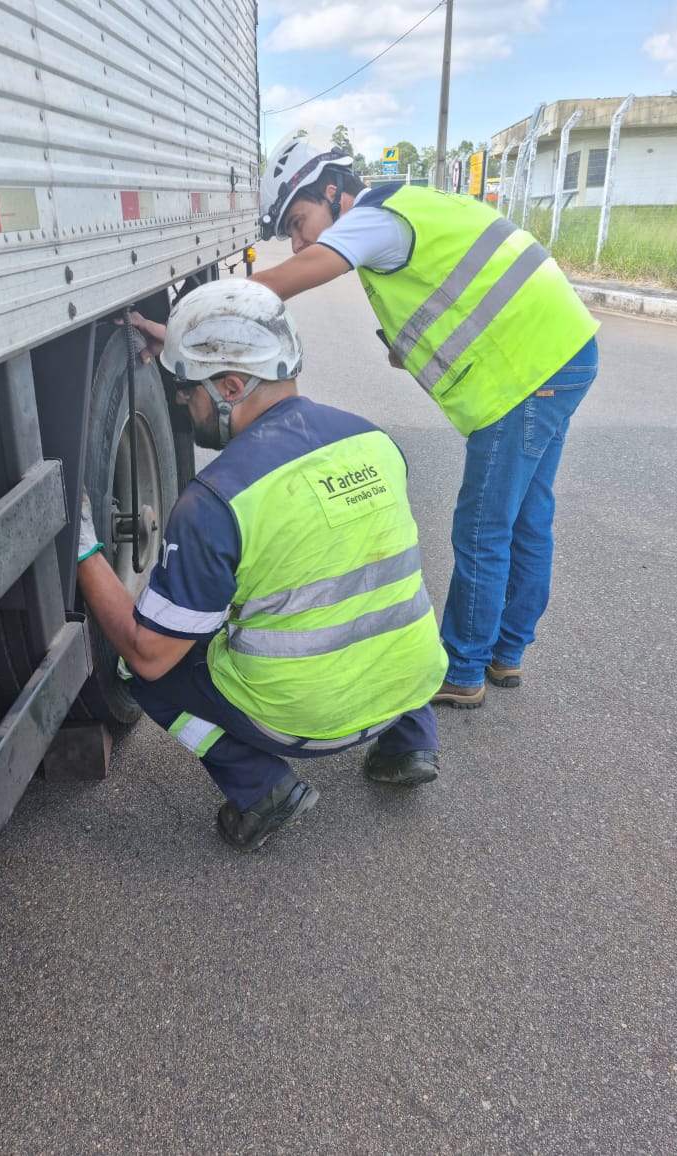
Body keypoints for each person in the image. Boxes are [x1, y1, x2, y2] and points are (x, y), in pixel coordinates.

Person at [77, 279, 448, 852]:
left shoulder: (216, 501)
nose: (182, 402)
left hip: (305, 721)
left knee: (140, 671)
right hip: (414, 678)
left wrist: (81, 548)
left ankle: (261, 786)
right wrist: (181, 340)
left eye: (186, 389)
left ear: (231, 385)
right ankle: (409, 743)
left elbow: (149, 656)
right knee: (374, 602)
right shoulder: (373, 442)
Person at [242, 134, 600, 708]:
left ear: (332, 192)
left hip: (525, 372)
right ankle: (505, 654)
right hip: (565, 350)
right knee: (528, 517)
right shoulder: (413, 206)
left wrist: (202, 310)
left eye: (299, 220)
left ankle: (462, 669)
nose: (297, 238)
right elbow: (447, 301)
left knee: (484, 526)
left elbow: (291, 279)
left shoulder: (374, 219)